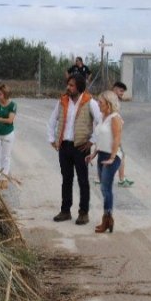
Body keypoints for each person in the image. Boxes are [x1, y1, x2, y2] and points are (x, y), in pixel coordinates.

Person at [47, 74, 102, 225]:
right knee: (66, 179)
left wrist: (92, 141)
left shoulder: (90, 102)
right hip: (64, 146)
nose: (68, 87)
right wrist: (51, 138)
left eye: (71, 85)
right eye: (68, 85)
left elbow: (101, 122)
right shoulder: (63, 101)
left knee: (83, 181)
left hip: (81, 147)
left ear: (79, 86)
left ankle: (83, 213)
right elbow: (52, 120)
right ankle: (65, 211)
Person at [85, 90, 123, 233]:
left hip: (112, 157)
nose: (98, 104)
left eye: (101, 102)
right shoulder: (102, 117)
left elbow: (117, 139)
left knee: (105, 188)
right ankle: (108, 218)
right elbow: (100, 138)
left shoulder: (115, 118)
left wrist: (112, 158)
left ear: (109, 104)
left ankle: (107, 219)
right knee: (104, 188)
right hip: (101, 154)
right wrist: (94, 154)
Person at [0, 84, 17, 189]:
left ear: (5, 94)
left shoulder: (12, 105)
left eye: (0, 94)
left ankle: (4, 178)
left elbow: (10, 120)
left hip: (8, 134)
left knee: (6, 156)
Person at [112, 81, 134, 187]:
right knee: (120, 155)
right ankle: (121, 179)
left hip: (111, 133)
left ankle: (120, 178)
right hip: (111, 133)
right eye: (120, 91)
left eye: (123, 92)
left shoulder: (113, 100)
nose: (122, 94)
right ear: (115, 89)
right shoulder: (112, 101)